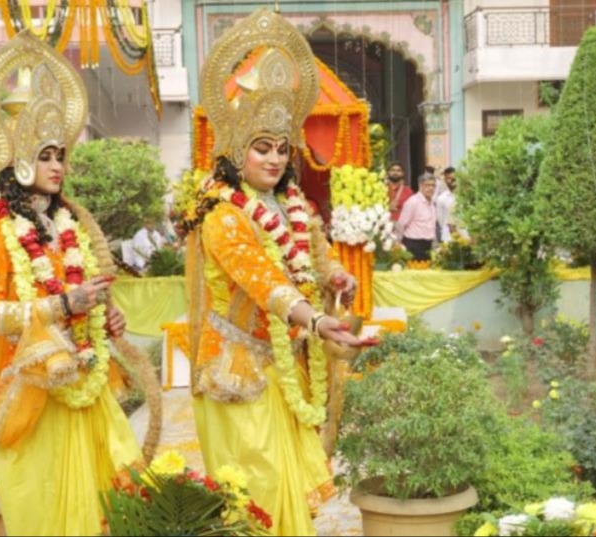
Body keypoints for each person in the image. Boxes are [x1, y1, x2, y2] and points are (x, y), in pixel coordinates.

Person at [185, 9, 371, 535]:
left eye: (280, 149)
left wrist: (335, 275)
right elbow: (264, 281)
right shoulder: (221, 214)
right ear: (234, 151)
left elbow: (315, 253)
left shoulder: (293, 204)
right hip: (237, 370)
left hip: (285, 361)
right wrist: (314, 320)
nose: (272, 159)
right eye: (260, 148)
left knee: (289, 492)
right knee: (257, 493)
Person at [0, 33, 141, 535]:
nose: (58, 167)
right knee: (42, 508)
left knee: (104, 499)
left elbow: (83, 295)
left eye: (61, 155)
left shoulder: (68, 225)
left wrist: (102, 316)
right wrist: (60, 304)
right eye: (45, 156)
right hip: (33, 392)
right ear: (19, 159)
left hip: (84, 379)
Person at [396, 173, 437, 260]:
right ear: (420, 186)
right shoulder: (412, 202)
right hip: (413, 245)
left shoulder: (432, 203)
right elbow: (401, 224)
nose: (431, 188)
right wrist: (398, 243)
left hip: (428, 245)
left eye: (433, 185)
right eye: (427, 185)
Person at [435, 167, 466, 243]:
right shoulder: (441, 199)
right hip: (448, 238)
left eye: (454, 178)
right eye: (449, 178)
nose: (452, 180)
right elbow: (441, 220)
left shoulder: (465, 196)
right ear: (445, 180)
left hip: (465, 236)